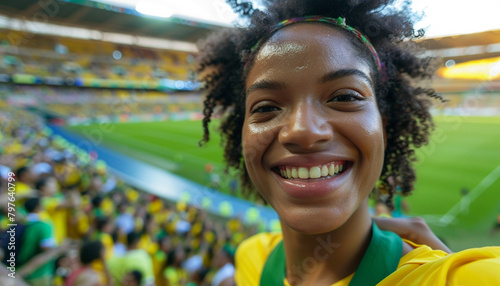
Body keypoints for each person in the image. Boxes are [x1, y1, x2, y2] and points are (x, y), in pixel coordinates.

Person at [197, 0, 500, 285]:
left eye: (345, 97)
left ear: (384, 125)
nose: (303, 130)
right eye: (265, 107)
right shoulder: (252, 259)